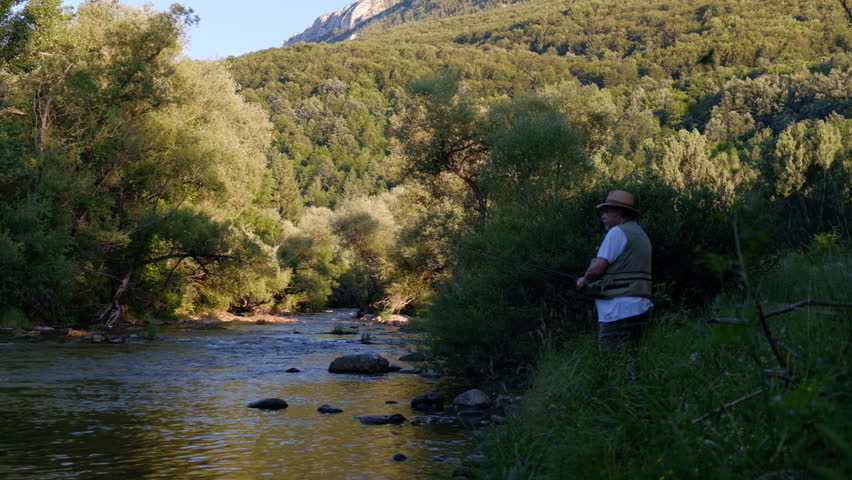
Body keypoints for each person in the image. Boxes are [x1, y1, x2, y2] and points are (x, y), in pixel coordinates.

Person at [576, 190, 653, 352]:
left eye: (607, 210)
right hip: (639, 307)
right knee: (632, 359)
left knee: (612, 361)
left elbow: (597, 269)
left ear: (619, 213)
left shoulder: (617, 232)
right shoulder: (641, 234)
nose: (602, 214)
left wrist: (584, 281)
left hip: (617, 310)